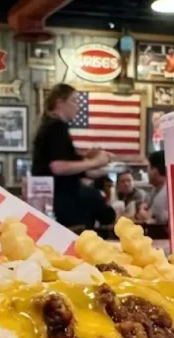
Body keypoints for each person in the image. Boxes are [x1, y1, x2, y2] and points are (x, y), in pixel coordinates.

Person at [31, 83, 115, 229]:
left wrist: (87, 158)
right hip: (63, 203)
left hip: (51, 201)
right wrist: (95, 161)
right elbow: (57, 167)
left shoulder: (50, 126)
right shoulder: (56, 127)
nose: (78, 106)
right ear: (60, 103)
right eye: (74, 101)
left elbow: (63, 162)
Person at [145, 151, 170, 224]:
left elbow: (150, 218)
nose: (147, 172)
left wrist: (145, 215)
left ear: (155, 171)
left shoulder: (165, 193)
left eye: (148, 168)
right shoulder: (155, 189)